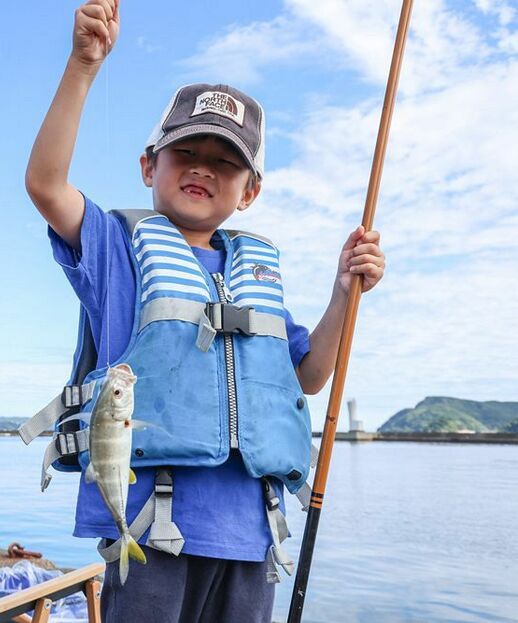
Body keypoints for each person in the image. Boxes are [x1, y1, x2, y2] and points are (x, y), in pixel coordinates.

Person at [22, 2, 386, 622]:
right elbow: (46, 184)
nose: (202, 168)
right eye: (185, 151)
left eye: (225, 161)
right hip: (153, 528)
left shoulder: (257, 276)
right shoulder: (116, 250)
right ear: (148, 166)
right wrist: (84, 65)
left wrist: (344, 292)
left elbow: (309, 375)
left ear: (250, 191)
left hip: (253, 534)